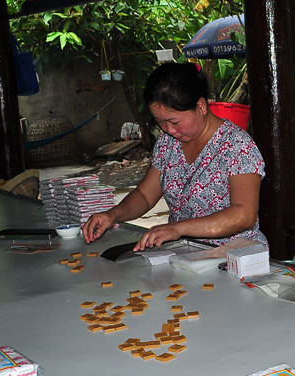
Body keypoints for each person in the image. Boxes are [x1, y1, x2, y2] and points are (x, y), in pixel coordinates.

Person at [82, 62, 268, 250]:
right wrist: (113, 215)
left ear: (201, 106)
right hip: (185, 253)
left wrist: (178, 228)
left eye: (174, 121)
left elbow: (244, 215)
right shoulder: (168, 142)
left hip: (234, 256)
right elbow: (145, 196)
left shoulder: (236, 145)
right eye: (160, 122)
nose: (168, 130)